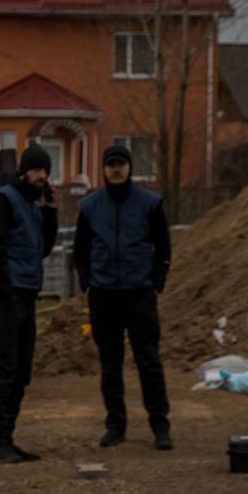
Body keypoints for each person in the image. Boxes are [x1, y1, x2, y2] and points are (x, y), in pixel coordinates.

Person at [74, 144, 173, 450]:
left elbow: (163, 247)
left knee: (149, 361)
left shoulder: (150, 204)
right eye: (111, 164)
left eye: (121, 164)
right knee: (110, 364)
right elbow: (80, 250)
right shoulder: (90, 207)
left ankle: (160, 426)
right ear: (103, 169)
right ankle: (115, 425)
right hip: (104, 296)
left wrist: (156, 281)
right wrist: (87, 281)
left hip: (139, 294)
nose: (116, 169)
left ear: (129, 167)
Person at [0, 143, 58, 464]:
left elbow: (43, 249)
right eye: (37, 170)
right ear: (24, 171)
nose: (42, 176)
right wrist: (1, 293)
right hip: (5, 295)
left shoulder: (32, 206)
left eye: (45, 171)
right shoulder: (5, 199)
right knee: (5, 369)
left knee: (21, 371)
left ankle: (8, 438)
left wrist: (51, 212)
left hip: (25, 294)